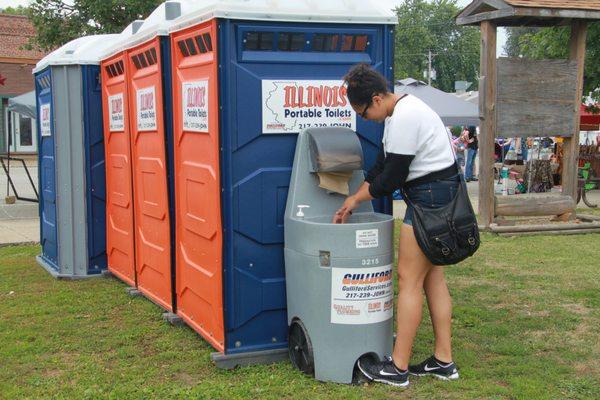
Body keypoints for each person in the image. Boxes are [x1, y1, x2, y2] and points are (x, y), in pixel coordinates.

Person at [333, 64, 460, 388]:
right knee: (432, 277)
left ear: (376, 99)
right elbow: (381, 166)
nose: (365, 119)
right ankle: (444, 360)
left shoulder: (404, 117)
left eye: (363, 112)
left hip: (429, 199)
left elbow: (391, 178)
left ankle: (398, 366)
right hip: (439, 195)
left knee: (408, 279)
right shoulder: (402, 112)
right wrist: (354, 198)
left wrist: (357, 199)